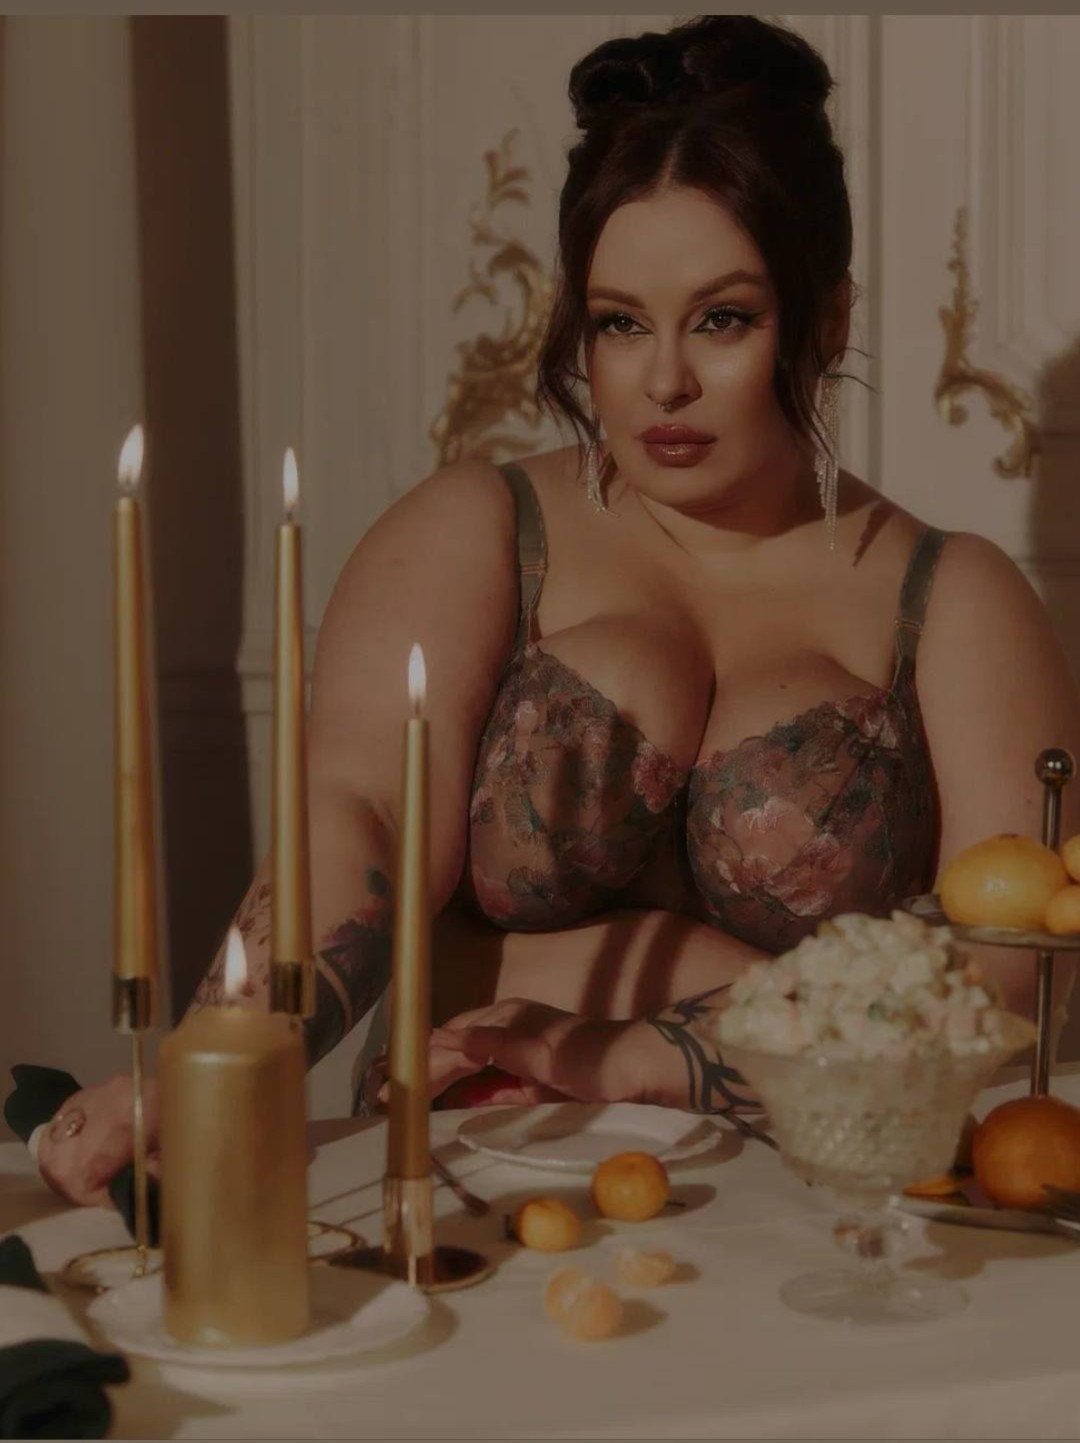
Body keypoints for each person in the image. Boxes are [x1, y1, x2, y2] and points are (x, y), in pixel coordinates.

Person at [37, 15, 1080, 1208]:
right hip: (474, 1176)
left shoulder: (955, 601)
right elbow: (360, 813)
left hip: (818, 1219)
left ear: (827, 317)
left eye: (724, 318)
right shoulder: (475, 532)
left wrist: (634, 1050)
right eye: (620, 321)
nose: (664, 380)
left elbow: (1006, 981)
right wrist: (222, 1056)